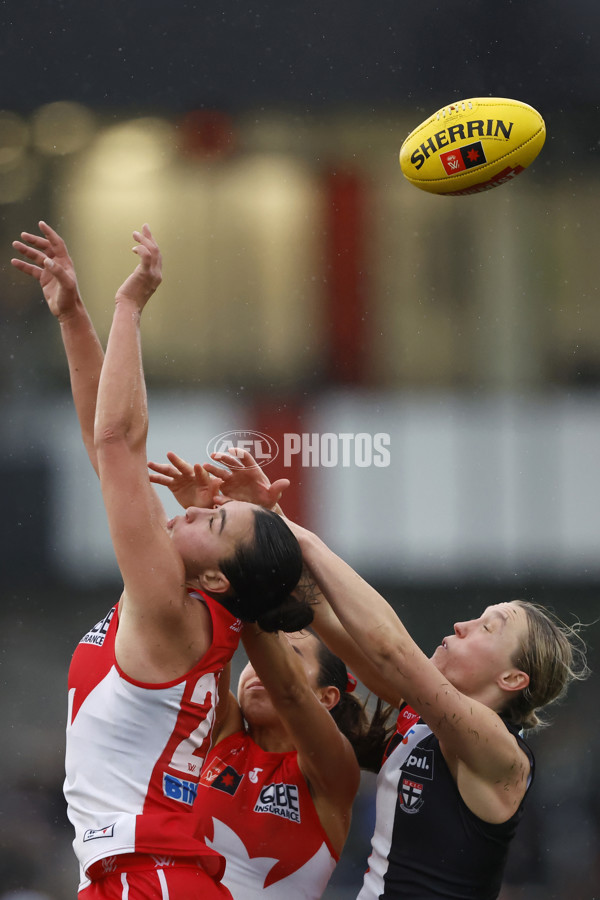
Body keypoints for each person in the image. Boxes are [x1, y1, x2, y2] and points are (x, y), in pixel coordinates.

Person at [11, 224, 311, 899]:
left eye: (216, 522)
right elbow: (105, 443)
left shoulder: (172, 607)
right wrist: (73, 317)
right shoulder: (191, 603)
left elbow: (118, 440)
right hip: (153, 878)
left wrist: (129, 306)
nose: (196, 506)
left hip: (149, 882)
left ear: (216, 577)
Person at [186, 449, 589, 900]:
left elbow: (392, 649)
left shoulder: (500, 753)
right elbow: (323, 610)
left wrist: (301, 539)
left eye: (487, 627)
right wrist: (269, 526)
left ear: (513, 680)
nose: (462, 625)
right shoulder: (422, 715)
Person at [147, 451, 385, 899]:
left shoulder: (334, 773)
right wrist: (206, 532)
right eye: (256, 659)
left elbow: (292, 694)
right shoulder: (224, 735)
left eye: (291, 654)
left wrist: (249, 568)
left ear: (328, 696)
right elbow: (201, 616)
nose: (259, 668)